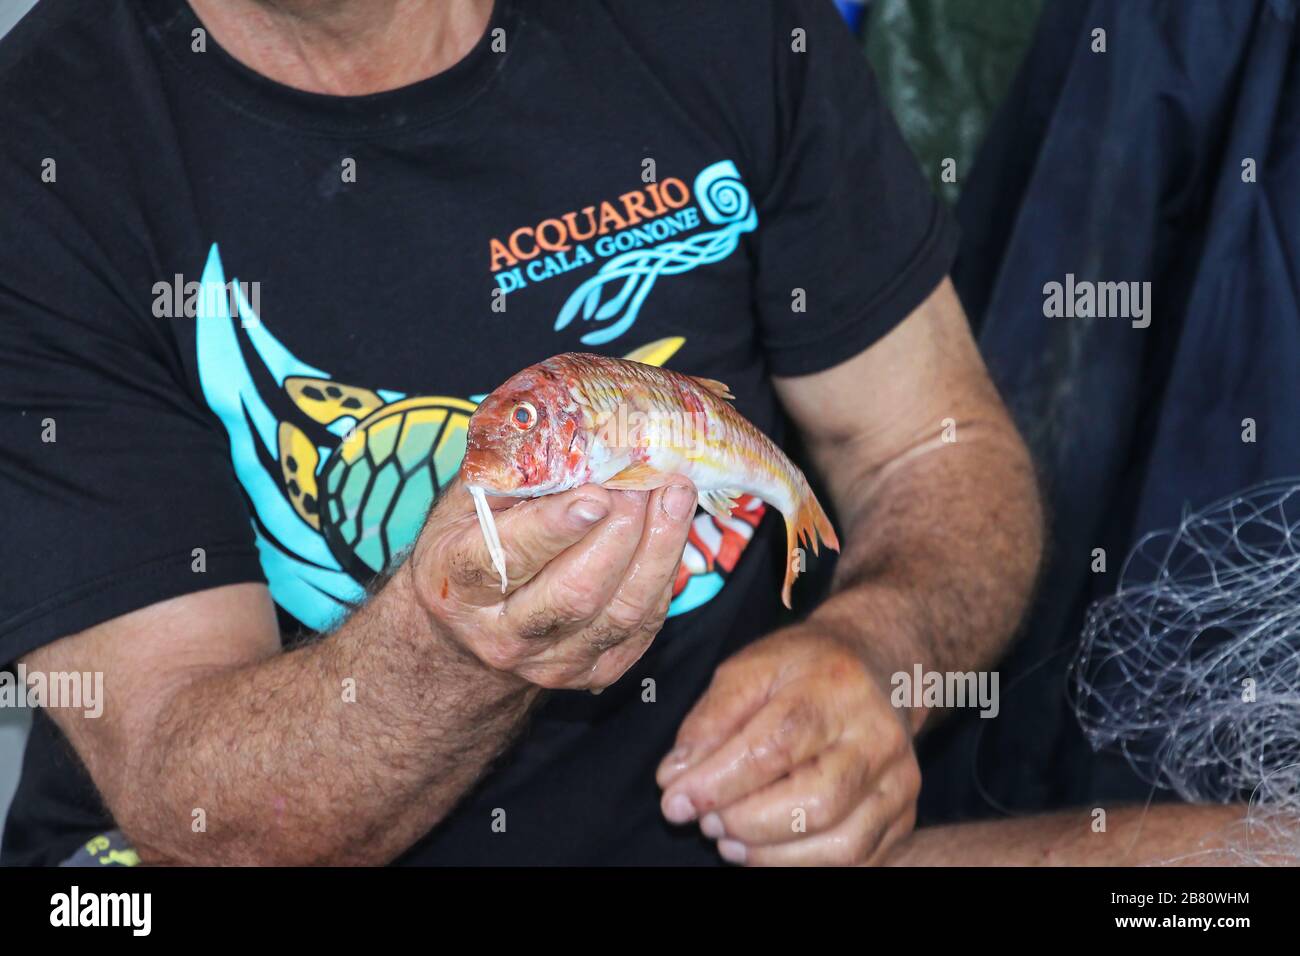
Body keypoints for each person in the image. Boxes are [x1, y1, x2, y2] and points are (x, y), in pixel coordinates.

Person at [0, 0, 1041, 866]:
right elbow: (189, 795)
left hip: (717, 833)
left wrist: (873, 653)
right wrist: (455, 646)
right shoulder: (44, 146)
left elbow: (933, 449)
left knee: (1204, 872)